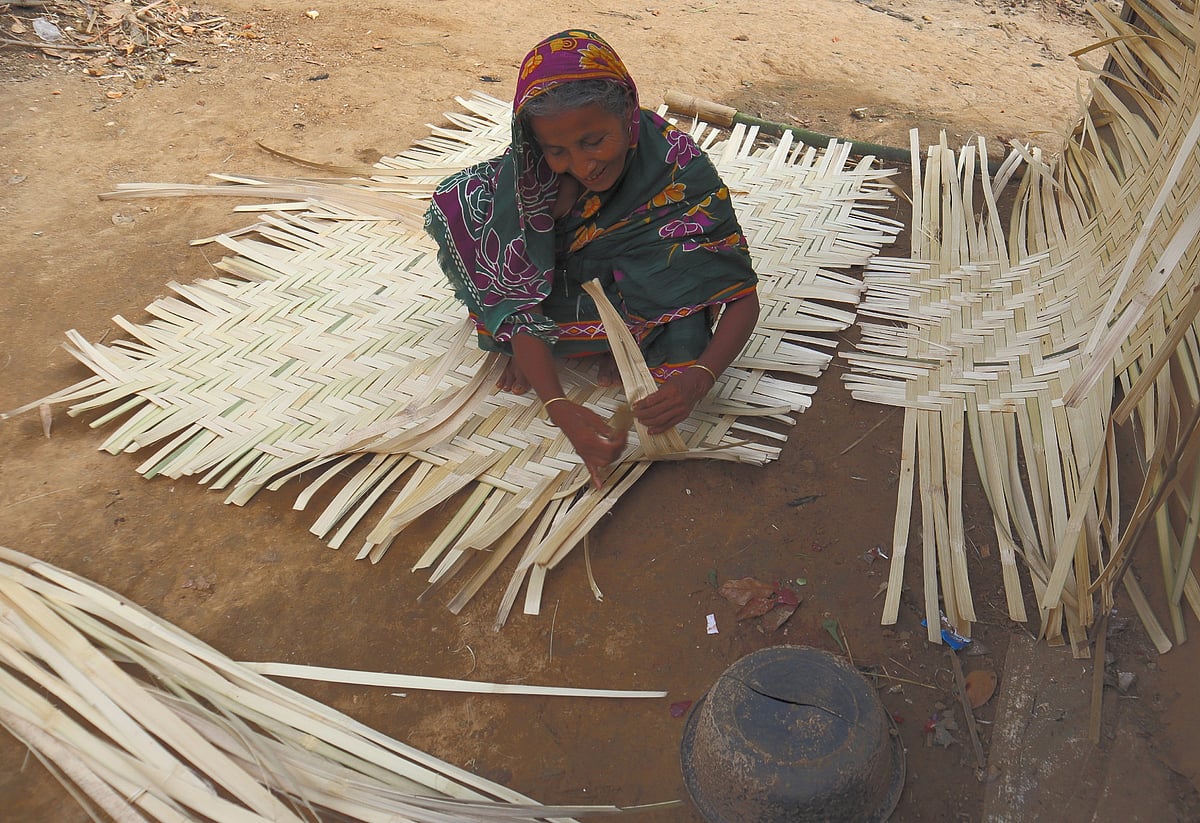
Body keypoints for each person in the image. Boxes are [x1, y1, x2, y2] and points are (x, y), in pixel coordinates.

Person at [425, 29, 760, 488]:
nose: (583, 166)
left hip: (633, 286)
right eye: (557, 150)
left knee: (688, 327)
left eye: (594, 141)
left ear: (627, 112)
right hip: (560, 286)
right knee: (465, 206)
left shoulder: (677, 167)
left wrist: (699, 378)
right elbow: (517, 291)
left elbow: (740, 295)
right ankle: (541, 344)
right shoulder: (531, 177)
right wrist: (557, 405)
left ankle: (604, 340)